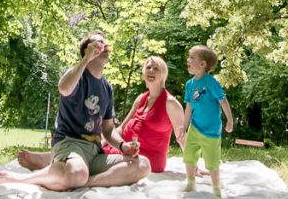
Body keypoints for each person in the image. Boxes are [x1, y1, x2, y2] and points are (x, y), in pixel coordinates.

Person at [0, 31, 151, 190]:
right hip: (69, 143)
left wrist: (123, 146)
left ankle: (84, 180)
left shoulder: (107, 87)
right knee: (77, 172)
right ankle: (23, 178)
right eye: (98, 43)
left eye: (105, 43)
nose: (105, 45)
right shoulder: (76, 75)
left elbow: (108, 130)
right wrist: (86, 60)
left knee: (143, 164)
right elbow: (64, 88)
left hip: (94, 153)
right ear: (87, 50)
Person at [17, 55, 186, 173]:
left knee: (94, 156)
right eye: (148, 67)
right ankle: (52, 159)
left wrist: (191, 163)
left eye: (156, 68)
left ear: (163, 74)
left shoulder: (170, 102)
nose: (151, 70)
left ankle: (47, 161)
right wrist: (105, 141)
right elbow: (120, 128)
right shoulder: (141, 99)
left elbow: (181, 136)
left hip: (149, 157)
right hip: (125, 148)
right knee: (95, 149)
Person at [176, 44, 233, 196]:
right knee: (189, 156)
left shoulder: (211, 82)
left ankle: (216, 188)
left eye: (192, 57)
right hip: (195, 127)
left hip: (211, 130)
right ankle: (190, 183)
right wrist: (184, 126)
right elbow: (189, 106)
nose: (188, 59)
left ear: (202, 64)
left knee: (212, 161)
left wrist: (230, 121)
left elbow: (223, 101)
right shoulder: (190, 84)